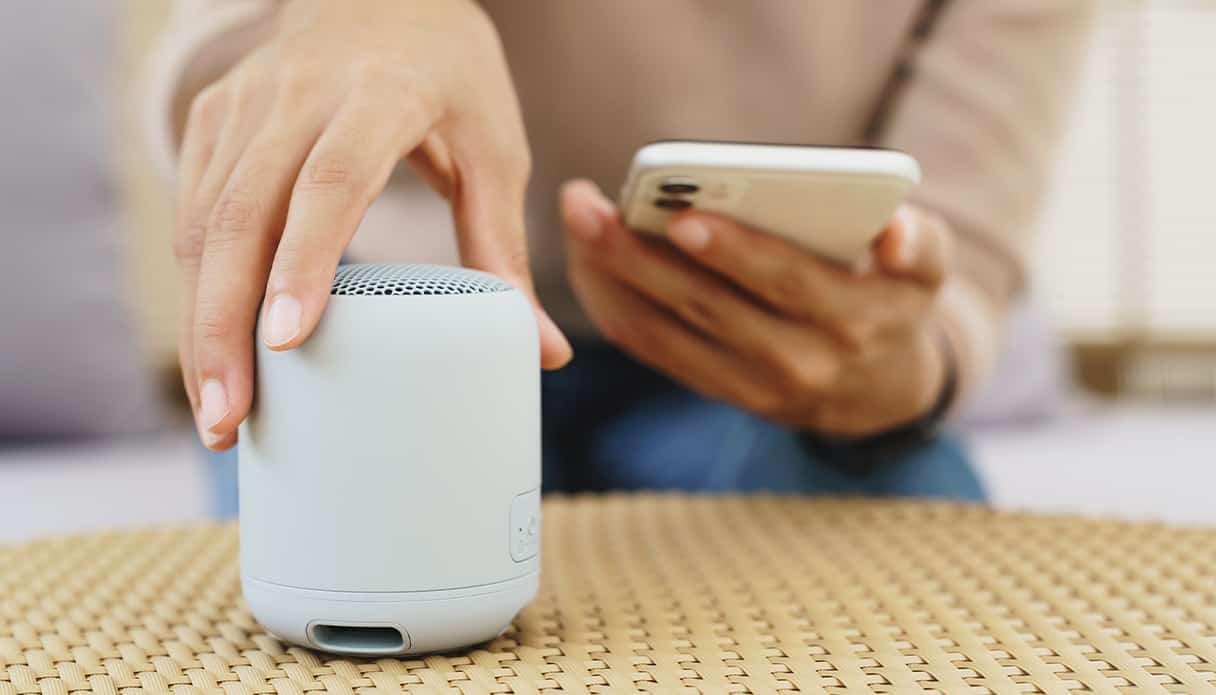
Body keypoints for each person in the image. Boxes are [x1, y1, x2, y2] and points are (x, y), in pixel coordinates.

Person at [146, 0, 1092, 510]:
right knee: (353, 554)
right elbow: (207, 68)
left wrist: (899, 366)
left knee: (914, 547)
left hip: (767, 366)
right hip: (391, 320)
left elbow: (962, 247)